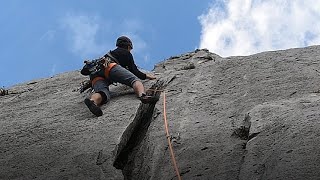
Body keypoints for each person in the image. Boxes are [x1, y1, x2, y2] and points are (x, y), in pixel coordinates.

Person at [82, 36, 158, 117]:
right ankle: (143, 96)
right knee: (134, 80)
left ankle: (93, 101)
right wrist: (147, 76)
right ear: (129, 46)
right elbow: (134, 71)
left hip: (95, 75)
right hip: (110, 67)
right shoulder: (125, 53)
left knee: (102, 92)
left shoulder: (110, 53)